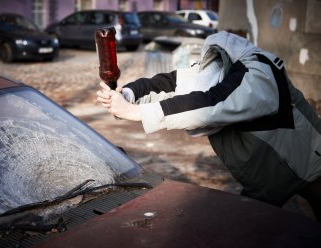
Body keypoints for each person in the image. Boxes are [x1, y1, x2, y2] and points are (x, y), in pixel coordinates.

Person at [96, 31, 321, 221]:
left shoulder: (261, 73)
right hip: (266, 179)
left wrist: (135, 112)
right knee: (243, 231)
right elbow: (166, 84)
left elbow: (212, 102)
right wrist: (127, 94)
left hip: (309, 163)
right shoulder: (213, 70)